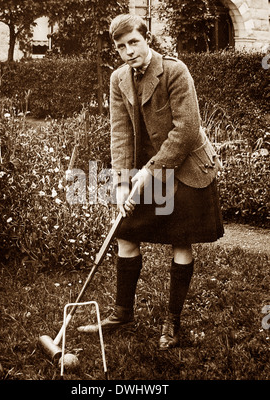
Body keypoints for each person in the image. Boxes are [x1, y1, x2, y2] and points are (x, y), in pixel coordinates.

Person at [78, 14, 224, 350]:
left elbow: (187, 130)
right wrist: (121, 183)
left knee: (180, 242)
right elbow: (120, 134)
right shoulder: (118, 80)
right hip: (147, 170)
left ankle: (172, 325)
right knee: (126, 235)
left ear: (148, 39)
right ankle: (121, 313)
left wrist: (150, 171)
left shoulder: (175, 71)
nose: (128, 51)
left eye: (134, 42)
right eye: (120, 47)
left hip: (187, 168)